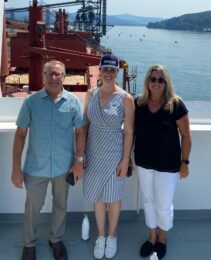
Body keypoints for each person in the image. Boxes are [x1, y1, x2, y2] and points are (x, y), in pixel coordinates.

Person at [11, 60, 86, 260]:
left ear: (64, 77)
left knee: (61, 205)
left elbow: (80, 132)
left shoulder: (73, 102)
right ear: (44, 76)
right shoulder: (31, 102)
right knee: (32, 209)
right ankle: (29, 244)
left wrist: (79, 161)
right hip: (36, 167)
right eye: (50, 74)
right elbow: (20, 135)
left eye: (58, 74)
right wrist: (16, 168)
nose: (54, 78)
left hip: (64, 167)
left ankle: (56, 240)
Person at [134, 64, 192, 259]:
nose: (156, 83)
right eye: (153, 79)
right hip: (143, 162)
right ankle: (151, 236)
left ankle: (162, 238)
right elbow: (130, 132)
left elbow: (186, 136)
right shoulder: (138, 104)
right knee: (148, 201)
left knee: (164, 204)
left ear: (166, 83)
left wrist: (185, 162)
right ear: (147, 82)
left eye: (160, 80)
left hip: (168, 165)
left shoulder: (176, 105)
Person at [82, 53, 134, 259]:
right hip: (93, 152)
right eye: (105, 69)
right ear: (101, 71)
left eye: (113, 70)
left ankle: (112, 236)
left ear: (117, 72)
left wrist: (125, 159)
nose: (109, 73)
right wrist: (81, 154)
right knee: (97, 197)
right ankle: (100, 236)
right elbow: (85, 124)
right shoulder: (90, 94)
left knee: (113, 197)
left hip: (114, 154)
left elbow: (129, 131)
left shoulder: (125, 99)